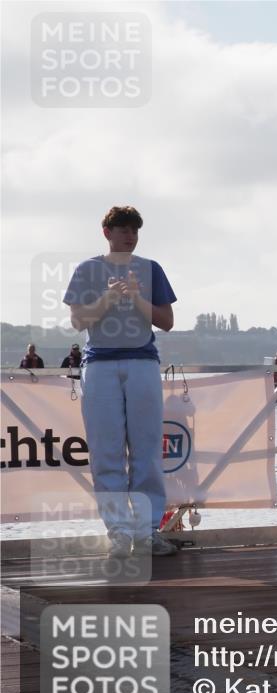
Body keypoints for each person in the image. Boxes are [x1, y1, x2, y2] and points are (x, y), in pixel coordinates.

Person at [63, 206, 178, 558]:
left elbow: (167, 321)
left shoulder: (151, 268)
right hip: (99, 364)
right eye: (123, 229)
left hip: (143, 363)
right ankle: (119, 533)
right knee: (106, 452)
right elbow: (78, 321)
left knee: (146, 451)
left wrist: (136, 298)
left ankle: (147, 532)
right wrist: (109, 297)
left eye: (134, 230)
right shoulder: (87, 269)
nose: (130, 235)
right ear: (107, 233)